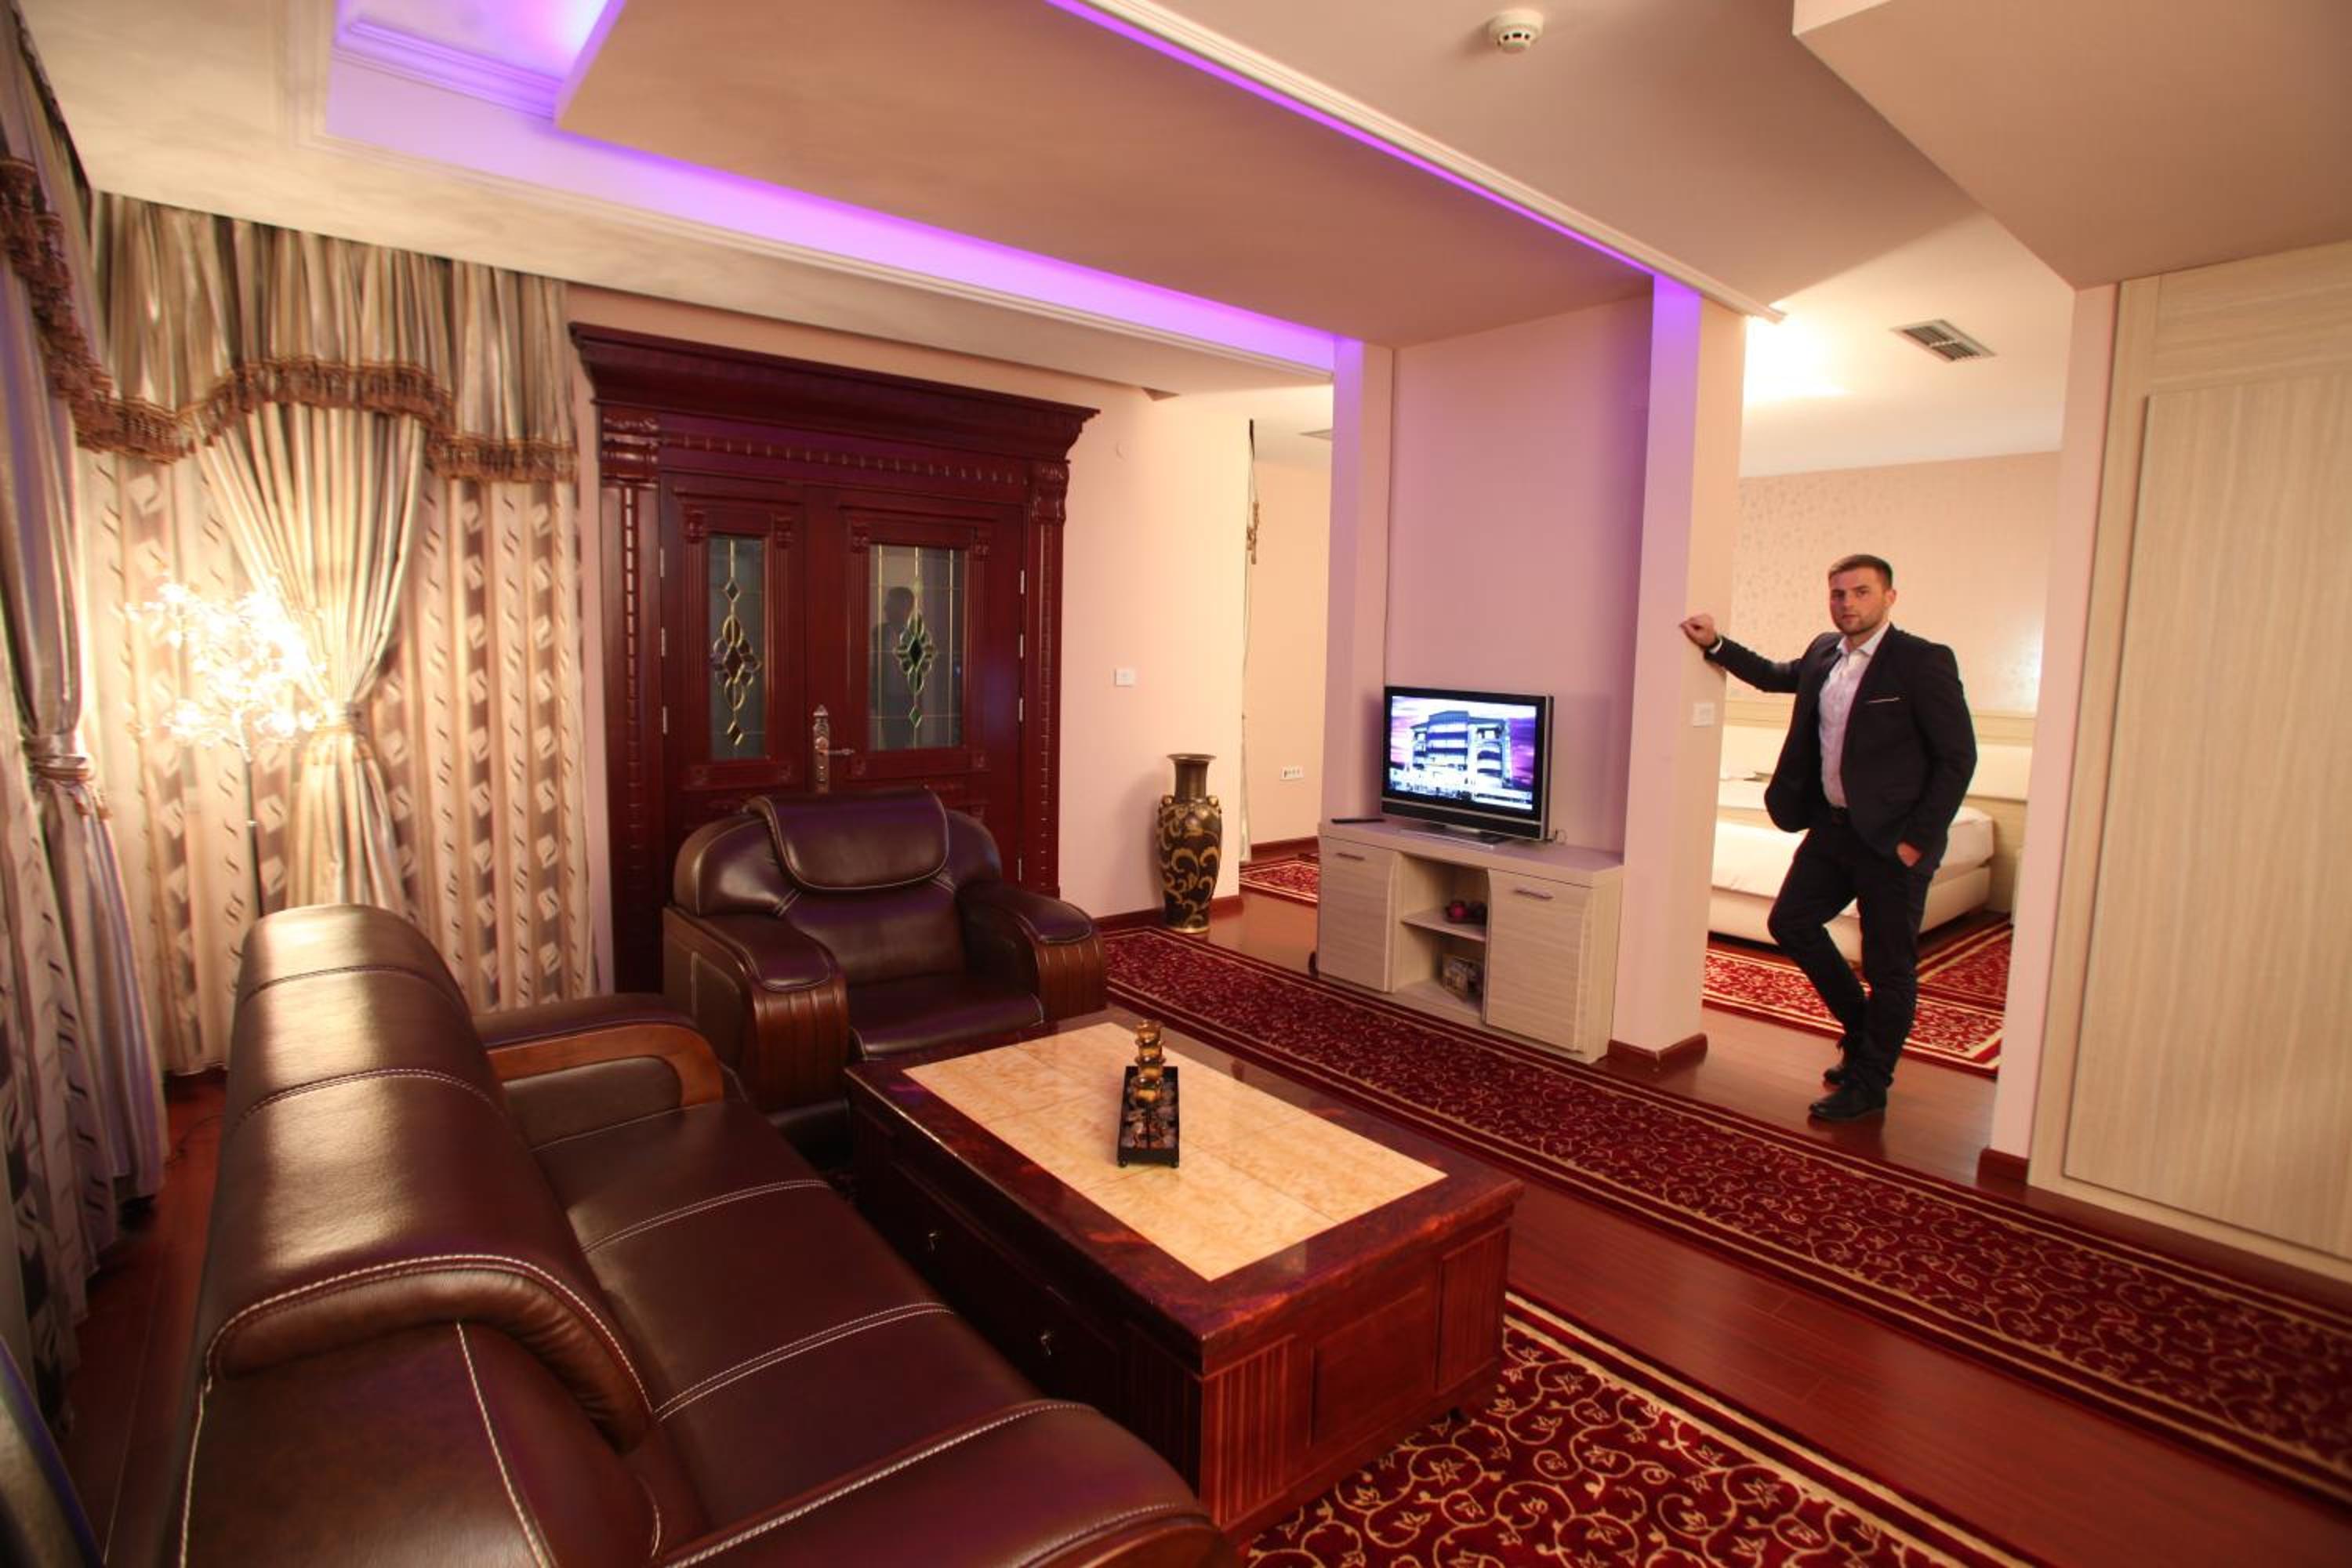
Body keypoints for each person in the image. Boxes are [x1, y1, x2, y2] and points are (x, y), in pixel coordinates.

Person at [1679, 554, 1975, 1123]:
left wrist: (1917, 840)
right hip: (1833, 830)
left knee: (1888, 968)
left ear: (1889, 597)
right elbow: (1773, 675)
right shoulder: (1823, 653)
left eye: (1861, 592)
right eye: (1838, 593)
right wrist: (1715, 644)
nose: (1847, 603)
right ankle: (1863, 1031)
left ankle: (1870, 1081)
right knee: (1790, 922)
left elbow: (1957, 758)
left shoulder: (1922, 661)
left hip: (1893, 842)